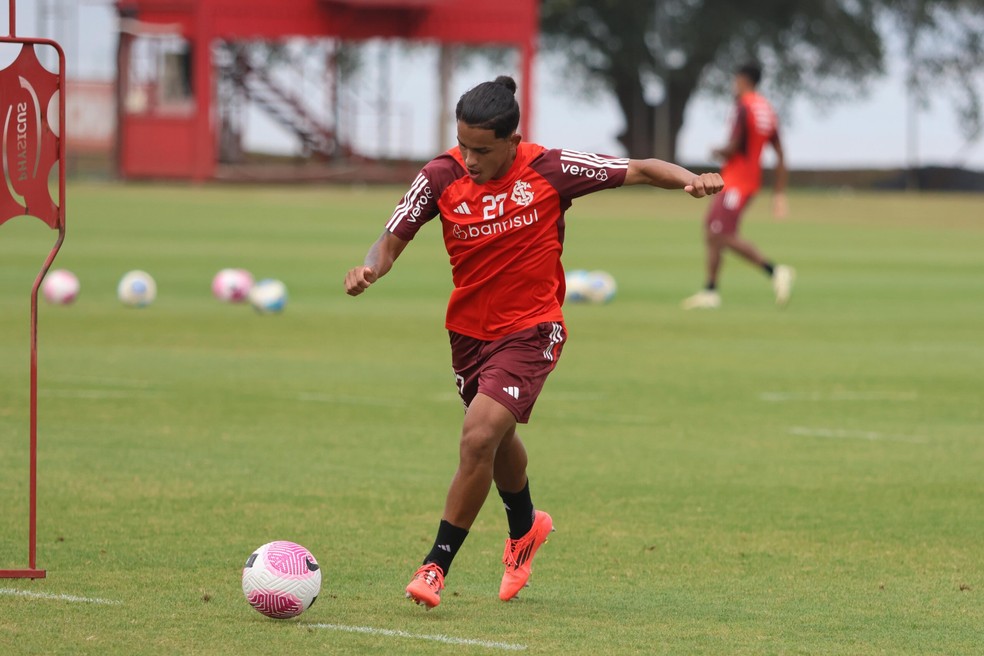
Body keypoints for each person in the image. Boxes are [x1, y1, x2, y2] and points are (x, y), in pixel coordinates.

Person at [344, 75, 723, 610]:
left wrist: (691, 179)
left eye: (482, 149)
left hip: (532, 329)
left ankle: (435, 565)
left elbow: (636, 168)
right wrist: (370, 270)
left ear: (512, 141)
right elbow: (392, 237)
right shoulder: (439, 175)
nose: (470, 159)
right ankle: (525, 526)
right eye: (464, 145)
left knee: (477, 437)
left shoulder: (550, 169)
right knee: (494, 440)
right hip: (468, 335)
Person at [681, 62, 795, 310]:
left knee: (721, 234)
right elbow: (780, 153)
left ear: (743, 80)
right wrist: (779, 193)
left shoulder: (744, 107)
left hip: (736, 182)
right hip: (748, 181)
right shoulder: (767, 110)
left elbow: (734, 147)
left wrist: (715, 150)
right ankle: (710, 291)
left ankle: (775, 271)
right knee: (712, 230)